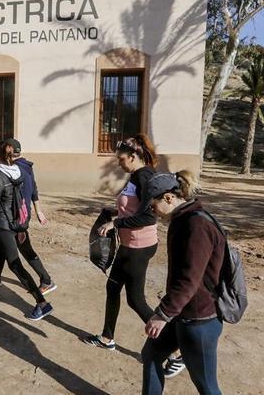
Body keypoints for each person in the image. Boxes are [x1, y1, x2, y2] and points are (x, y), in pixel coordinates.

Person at [84, 134, 184, 377]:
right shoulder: (136, 175)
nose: (119, 163)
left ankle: (177, 350)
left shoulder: (146, 177)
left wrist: (116, 223)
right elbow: (133, 207)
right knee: (112, 288)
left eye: (121, 159)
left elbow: (149, 216)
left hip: (139, 246)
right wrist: (113, 211)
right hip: (129, 245)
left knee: (136, 300)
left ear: (134, 156)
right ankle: (107, 337)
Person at [141, 170, 225, 395]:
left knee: (207, 385)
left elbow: (189, 279)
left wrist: (162, 314)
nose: (153, 212)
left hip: (199, 320)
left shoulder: (196, 225)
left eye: (152, 206)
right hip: (182, 314)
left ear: (169, 198)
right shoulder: (184, 219)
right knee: (151, 354)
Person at [0, 140, 54, 321]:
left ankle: (42, 303)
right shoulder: (20, 171)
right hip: (16, 223)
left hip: (5, 226)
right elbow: (25, 196)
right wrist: (23, 224)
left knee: (15, 265)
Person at [0, 138, 56, 295]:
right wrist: (38, 211)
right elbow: (34, 190)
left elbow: (18, 196)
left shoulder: (15, 170)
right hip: (21, 216)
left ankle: (46, 281)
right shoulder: (27, 167)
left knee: (24, 250)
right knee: (4, 245)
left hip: (15, 218)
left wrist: (19, 222)